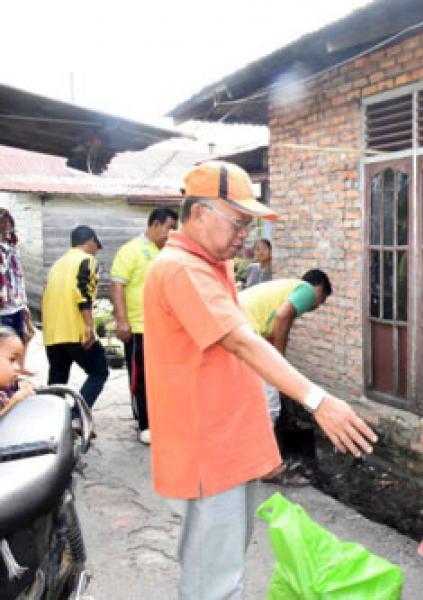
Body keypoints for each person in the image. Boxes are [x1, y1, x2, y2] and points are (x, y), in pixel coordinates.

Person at [143, 160, 377, 599]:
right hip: (208, 451)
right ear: (199, 214)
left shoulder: (211, 264)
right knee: (213, 580)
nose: (244, 235)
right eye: (238, 222)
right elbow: (243, 344)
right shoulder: (182, 269)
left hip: (225, 446)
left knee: (221, 565)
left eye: (248, 225)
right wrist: (318, 400)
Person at [110, 207, 178, 445]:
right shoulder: (130, 250)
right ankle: (145, 424)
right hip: (139, 326)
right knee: (141, 377)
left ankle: (162, 420)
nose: (171, 233)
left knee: (164, 376)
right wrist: (122, 320)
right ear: (156, 224)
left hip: (164, 327)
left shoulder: (167, 252)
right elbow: (117, 286)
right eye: (170, 227)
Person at [239, 269, 332, 422]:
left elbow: (275, 324)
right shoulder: (307, 290)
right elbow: (282, 316)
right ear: (319, 289)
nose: (317, 307)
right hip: (244, 327)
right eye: (322, 300)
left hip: (236, 323)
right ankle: (267, 438)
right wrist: (280, 359)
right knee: (270, 401)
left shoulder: (286, 291)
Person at [41, 225, 108, 410]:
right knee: (99, 371)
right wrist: (89, 326)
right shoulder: (87, 260)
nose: (96, 251)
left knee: (57, 381)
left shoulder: (58, 264)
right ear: (90, 242)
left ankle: (50, 422)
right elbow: (83, 292)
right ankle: (78, 417)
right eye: (96, 246)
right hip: (75, 329)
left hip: (53, 333)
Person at [0, 209, 33, 374]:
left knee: (22, 336)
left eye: (8, 221)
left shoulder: (13, 247)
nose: (6, 225)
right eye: (2, 222)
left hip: (16, 302)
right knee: (5, 341)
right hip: (2, 305)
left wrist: (24, 303)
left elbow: (19, 276)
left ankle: (19, 367)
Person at [0, 325, 35, 416]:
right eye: (12, 359)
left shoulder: (6, 387)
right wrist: (13, 403)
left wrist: (23, 388)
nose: (17, 367)